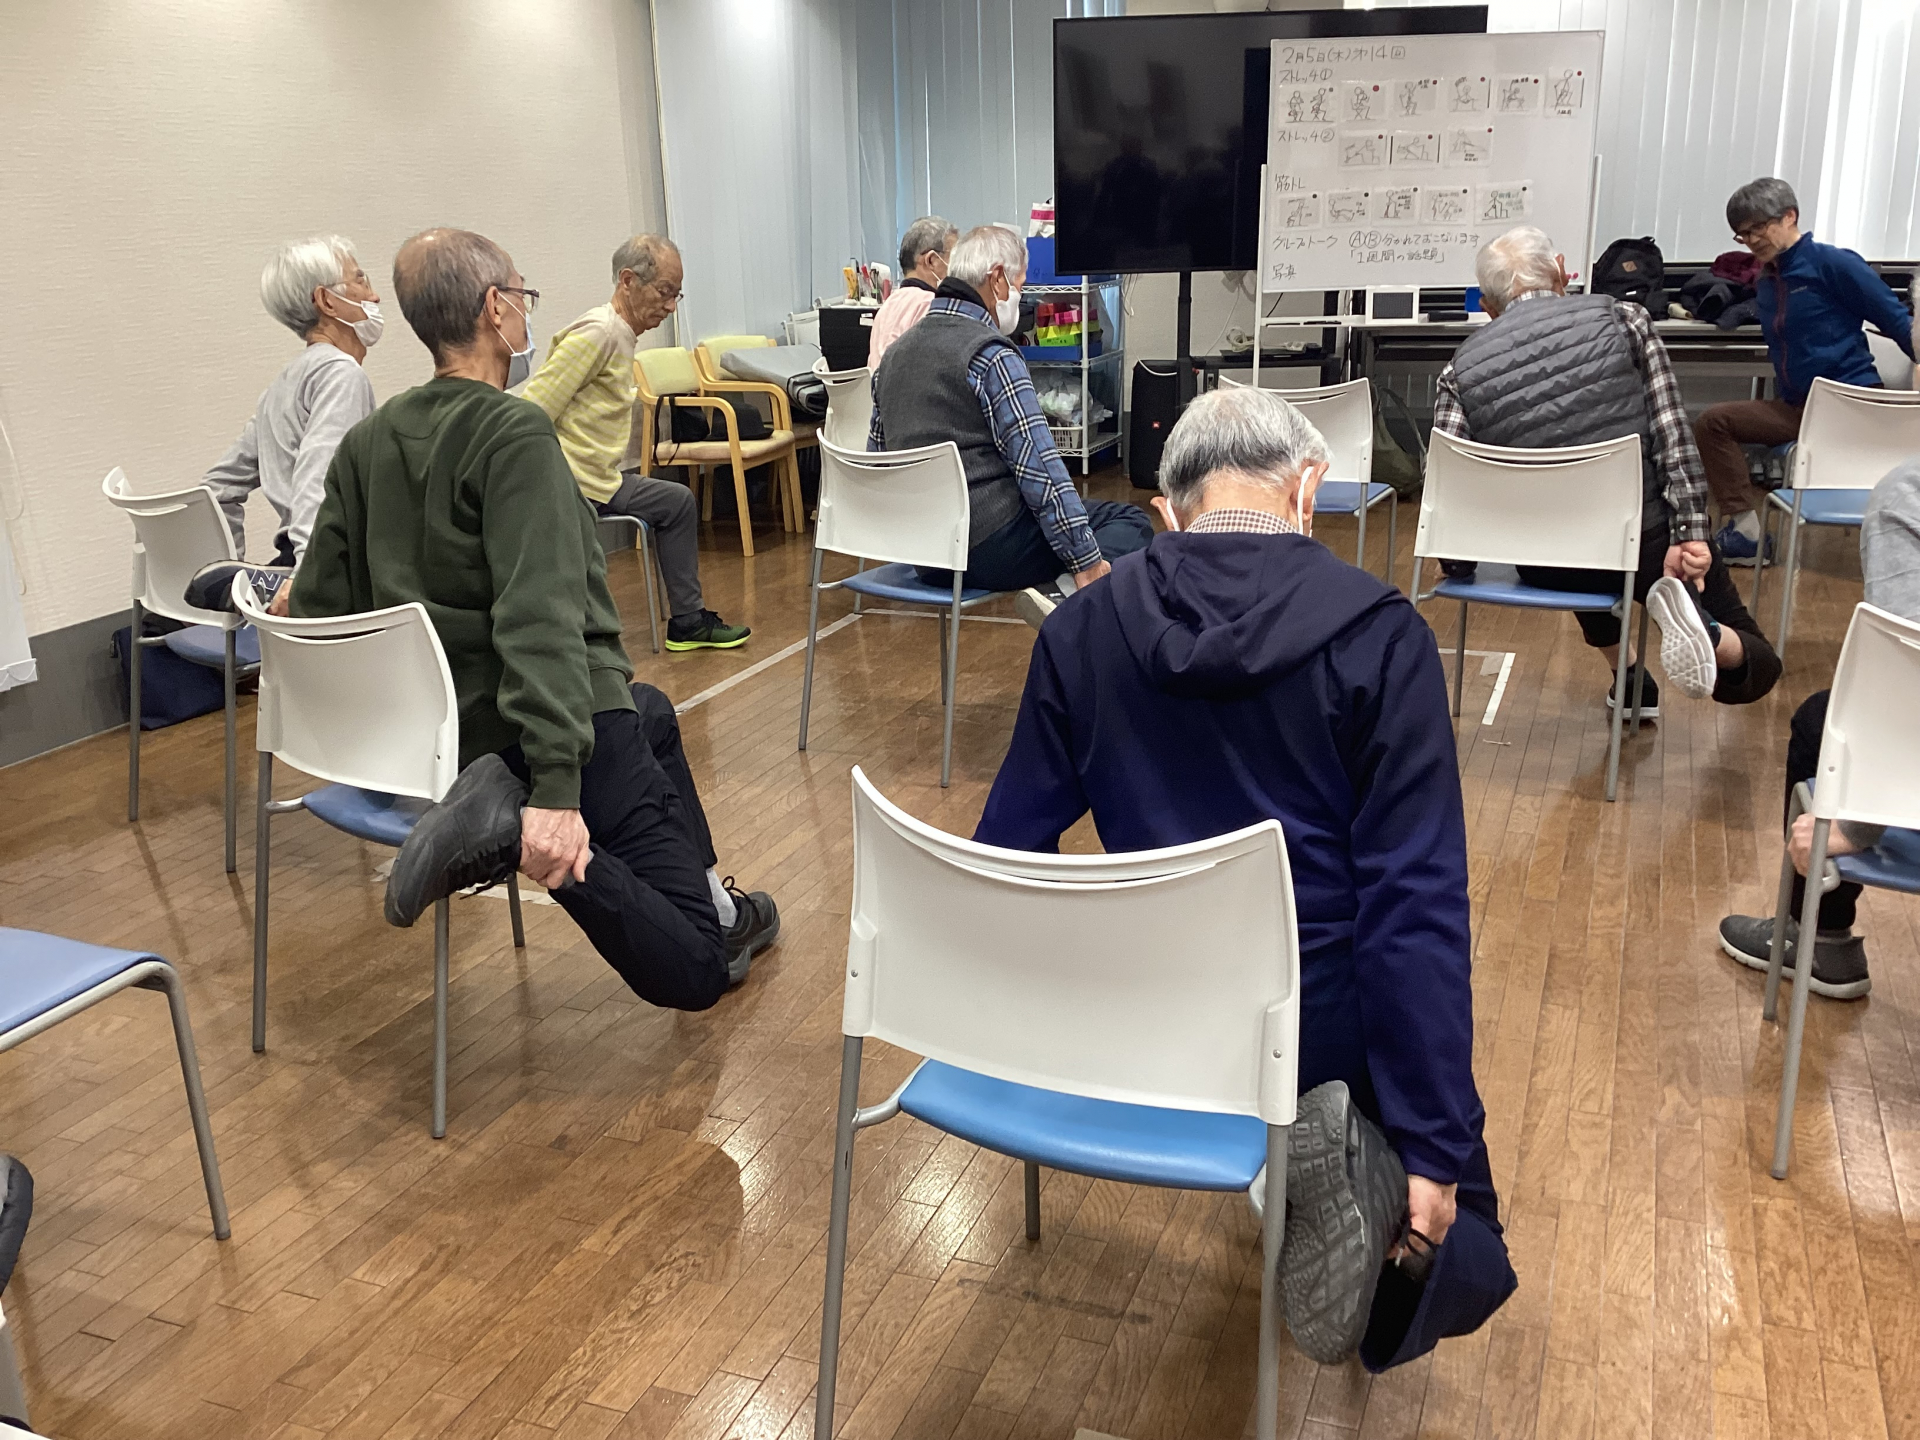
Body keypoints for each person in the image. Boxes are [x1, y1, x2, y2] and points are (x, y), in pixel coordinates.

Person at [973, 385, 1517, 1372]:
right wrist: (1437, 1143)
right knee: (1467, 1234)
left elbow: (1010, 858)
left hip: (1147, 1023)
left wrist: (1054, 1029)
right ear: (1307, 489)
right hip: (1318, 1029)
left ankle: (1307, 1165)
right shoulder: (1383, 636)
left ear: (1167, 513)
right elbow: (1414, 908)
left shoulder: (1079, 631)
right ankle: (1352, 1168)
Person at [291, 228, 779, 1007]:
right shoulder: (515, 434)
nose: (528, 310)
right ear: (495, 308)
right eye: (522, 293)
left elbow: (321, 609)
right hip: (538, 733)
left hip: (443, 737)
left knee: (653, 711)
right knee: (697, 972)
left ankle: (716, 906)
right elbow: (539, 622)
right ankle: (514, 834)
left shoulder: (365, 443)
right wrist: (553, 797)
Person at [1433, 225, 1782, 720]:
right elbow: (1671, 433)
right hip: (1647, 543)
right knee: (1759, 667)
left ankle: (1631, 679)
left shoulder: (1458, 370)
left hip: (1548, 560)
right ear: (1561, 272)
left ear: (1488, 306)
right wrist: (1691, 535)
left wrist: (1457, 564)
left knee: (1565, 520)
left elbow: (1449, 482)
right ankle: (1707, 632)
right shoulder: (1626, 319)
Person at [868, 223, 1151, 621]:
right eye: (1020, 286)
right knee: (1130, 521)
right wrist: (1085, 561)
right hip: (989, 548)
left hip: (924, 555)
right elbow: (1040, 470)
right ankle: (1061, 598)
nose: (1021, 297)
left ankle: (1061, 594)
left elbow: (877, 459)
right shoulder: (991, 355)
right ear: (997, 279)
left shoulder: (893, 356)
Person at [1719, 457, 1920, 1000]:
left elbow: (1906, 683)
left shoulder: (1908, 492)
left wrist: (1852, 824)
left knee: (1823, 722)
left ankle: (1819, 935)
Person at [521, 235, 749, 652]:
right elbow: (532, 411)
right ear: (628, 281)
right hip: (576, 485)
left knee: (677, 501)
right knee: (674, 502)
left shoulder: (621, 334)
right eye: (664, 292)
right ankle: (676, 624)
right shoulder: (599, 333)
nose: (671, 306)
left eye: (677, 294)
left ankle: (688, 622)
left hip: (600, 479)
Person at [1694, 178, 1916, 564]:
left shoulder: (1834, 264)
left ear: (1789, 217)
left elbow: (1900, 325)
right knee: (1713, 423)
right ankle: (1746, 536)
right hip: (1800, 410)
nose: (1751, 240)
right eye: (1742, 234)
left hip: (1848, 407)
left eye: (1758, 227)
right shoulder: (1768, 279)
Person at [201, 235, 380, 614]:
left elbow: (217, 487)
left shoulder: (282, 385)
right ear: (326, 300)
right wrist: (305, 579)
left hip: (297, 557)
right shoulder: (341, 375)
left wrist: (230, 574)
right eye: (361, 280)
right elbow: (321, 483)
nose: (374, 296)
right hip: (330, 568)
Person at [866, 215, 957, 366]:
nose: (958, 267)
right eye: (954, 258)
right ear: (931, 261)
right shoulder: (931, 306)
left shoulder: (887, 306)